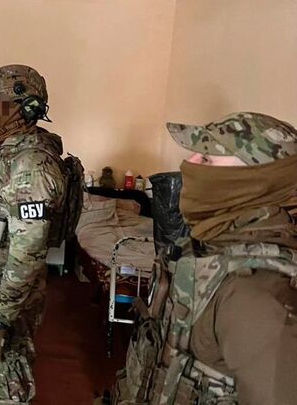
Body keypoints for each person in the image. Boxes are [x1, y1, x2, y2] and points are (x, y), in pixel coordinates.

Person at [111, 112, 297, 405]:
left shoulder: (256, 294)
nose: (189, 163)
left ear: (254, 181)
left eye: (207, 158)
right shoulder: (202, 248)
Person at [0, 65, 76, 404]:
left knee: (7, 383)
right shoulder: (5, 153)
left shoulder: (30, 164)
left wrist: (0, 317)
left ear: (23, 108)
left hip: (6, 299)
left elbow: (28, 251)